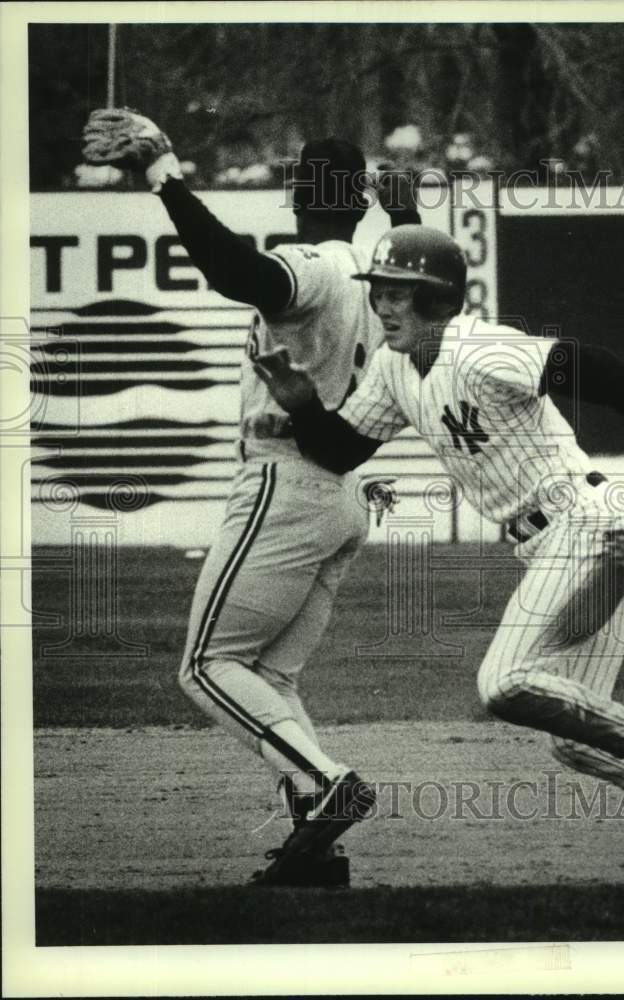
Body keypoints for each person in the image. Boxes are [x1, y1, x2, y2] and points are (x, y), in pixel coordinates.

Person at [255, 224, 624, 888]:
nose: (383, 305)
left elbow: (594, 366)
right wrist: (304, 404)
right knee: (574, 743)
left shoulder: (478, 347)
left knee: (503, 683)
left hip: (587, 524)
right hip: (550, 544)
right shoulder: (394, 369)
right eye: (380, 292)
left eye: (399, 293)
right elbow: (341, 450)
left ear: (437, 299)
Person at [81, 108, 420, 886]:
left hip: (284, 484)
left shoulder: (315, 264)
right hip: (341, 494)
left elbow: (241, 275)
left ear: (297, 195)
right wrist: (402, 213)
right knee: (269, 677)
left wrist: (164, 174)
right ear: (359, 200)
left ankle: (330, 785)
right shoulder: (377, 283)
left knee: (206, 667)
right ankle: (314, 851)